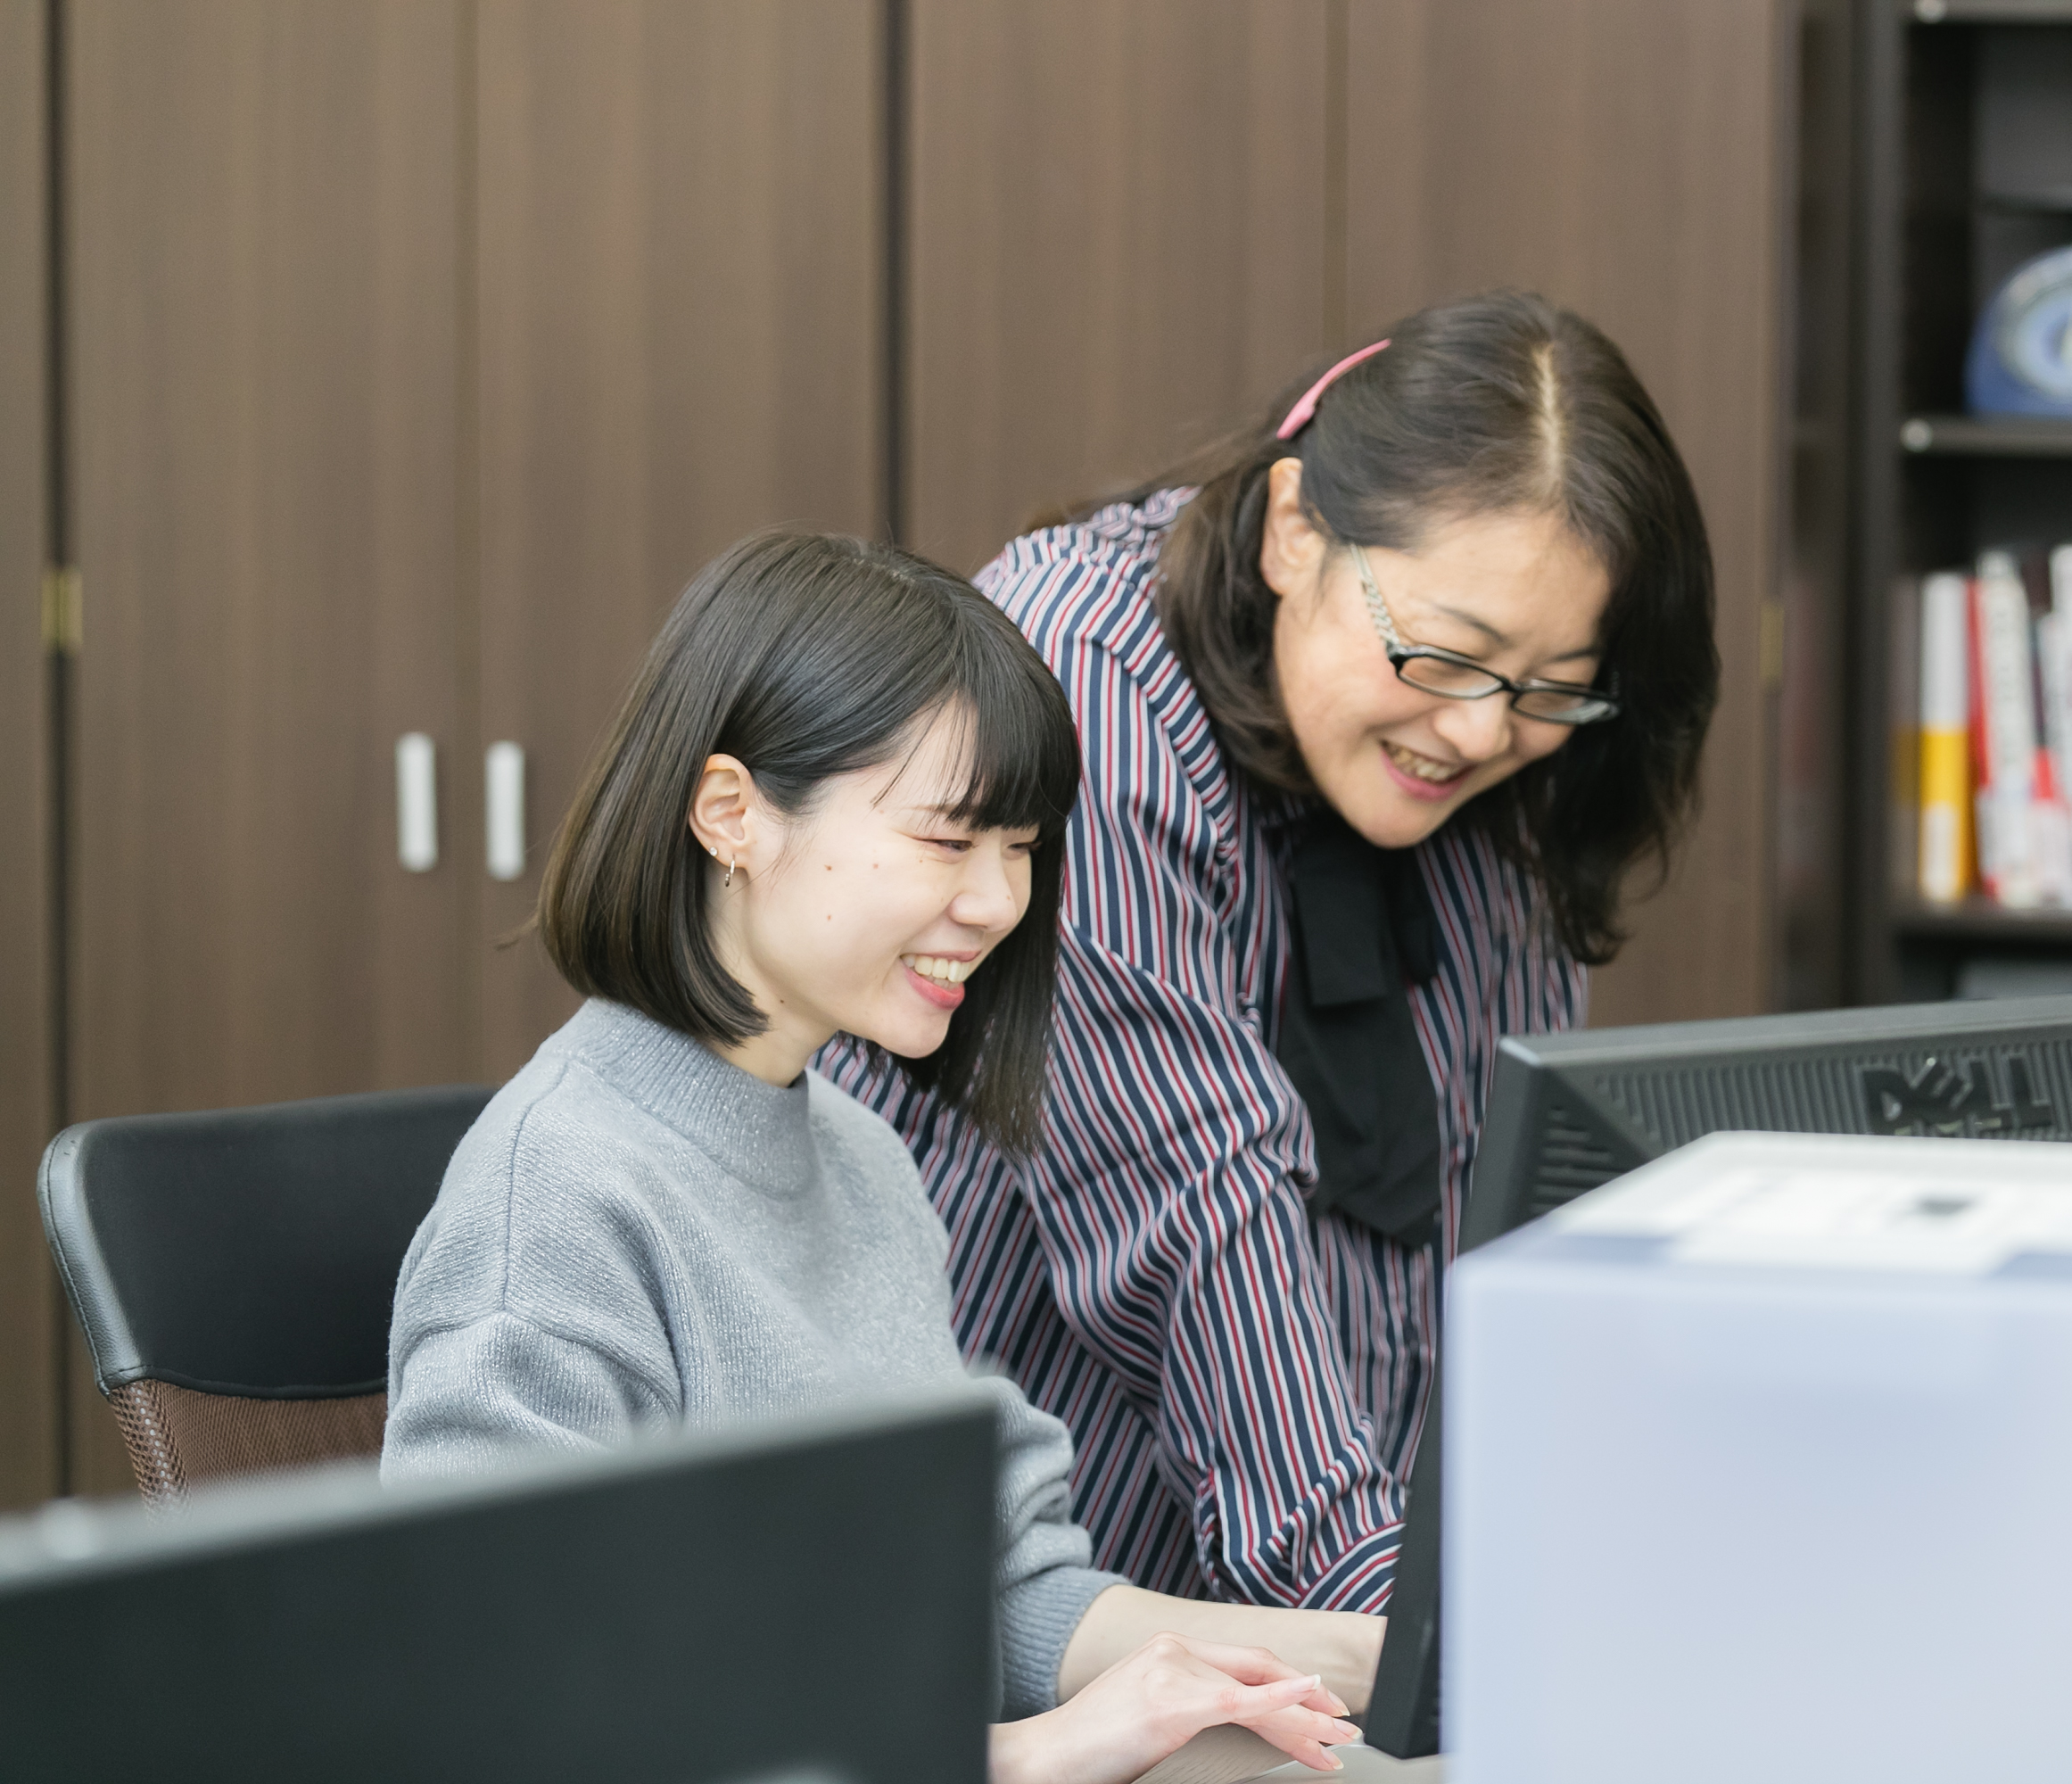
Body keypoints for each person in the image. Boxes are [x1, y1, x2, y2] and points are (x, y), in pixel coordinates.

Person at [383, 531, 1383, 1784]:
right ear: (732, 814)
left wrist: (1362, 1662)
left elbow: (1008, 1585)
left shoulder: (862, 1158)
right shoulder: (557, 1204)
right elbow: (514, 1715)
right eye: (947, 839)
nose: (999, 902)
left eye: (1020, 847)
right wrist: (1021, 1760)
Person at [824, 290, 1719, 1610]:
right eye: (1446, 655)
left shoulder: (1485, 759)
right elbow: (1194, 1227)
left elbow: (1519, 1212)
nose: (1477, 736)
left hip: (1309, 1620)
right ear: (1296, 528)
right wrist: (1392, 1638)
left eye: (1547, 688)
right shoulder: (1085, 687)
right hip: (995, 1614)